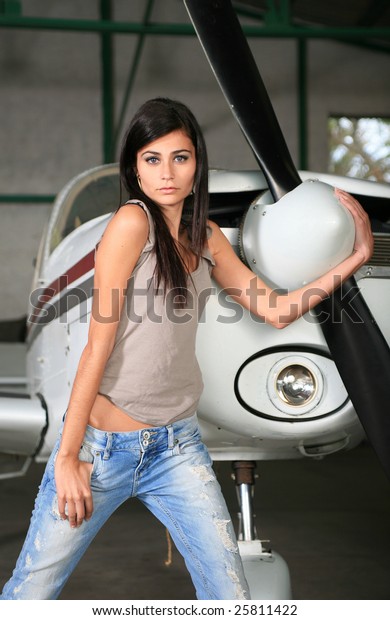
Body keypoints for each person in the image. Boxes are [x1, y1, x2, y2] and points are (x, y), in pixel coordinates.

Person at [1, 98, 373, 601]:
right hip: (102, 451)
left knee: (230, 601)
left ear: (197, 162)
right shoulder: (131, 225)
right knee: (29, 596)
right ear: (135, 168)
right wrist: (68, 457)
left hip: (177, 449)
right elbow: (96, 347)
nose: (167, 172)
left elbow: (277, 310)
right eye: (152, 159)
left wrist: (356, 258)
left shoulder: (208, 237)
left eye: (180, 157)